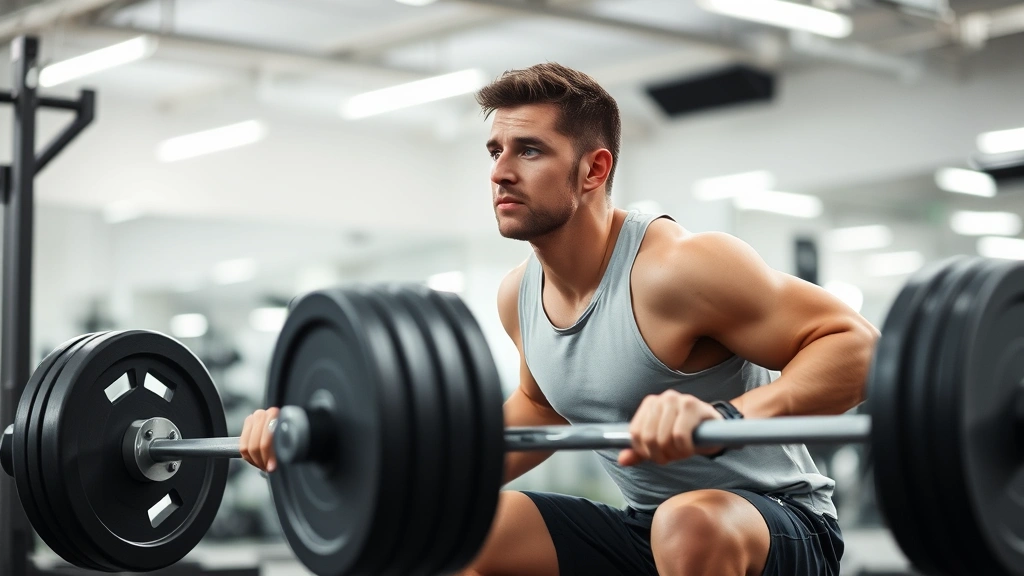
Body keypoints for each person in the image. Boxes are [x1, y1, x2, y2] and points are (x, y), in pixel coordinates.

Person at [240, 63, 879, 576]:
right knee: (469, 532)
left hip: (777, 527)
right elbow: (539, 409)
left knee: (688, 523)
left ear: (594, 168)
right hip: (648, 529)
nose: (499, 172)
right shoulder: (518, 295)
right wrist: (334, 452)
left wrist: (730, 422)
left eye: (530, 151)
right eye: (494, 151)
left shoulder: (681, 268)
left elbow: (856, 344)